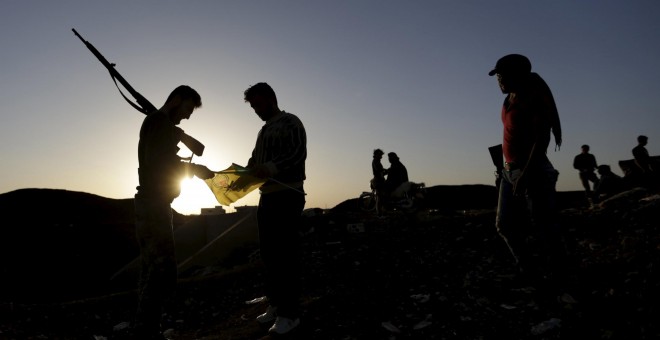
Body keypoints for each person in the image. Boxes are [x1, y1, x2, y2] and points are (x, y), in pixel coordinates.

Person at [132, 85, 214, 338]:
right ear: (177, 100)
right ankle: (147, 333)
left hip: (153, 205)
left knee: (153, 273)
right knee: (159, 273)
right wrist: (194, 170)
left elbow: (162, 160)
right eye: (188, 108)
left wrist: (178, 138)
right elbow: (156, 163)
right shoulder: (158, 122)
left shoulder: (164, 126)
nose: (188, 115)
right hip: (154, 205)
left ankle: (146, 331)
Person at [488, 54, 567, 291]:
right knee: (505, 225)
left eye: (502, 75)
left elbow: (541, 139)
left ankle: (559, 276)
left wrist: (525, 174)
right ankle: (529, 271)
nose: (498, 80)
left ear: (516, 76)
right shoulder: (508, 101)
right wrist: (506, 169)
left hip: (534, 171)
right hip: (510, 171)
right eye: (497, 76)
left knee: (544, 225)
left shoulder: (531, 98)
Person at [243, 82, 307, 336]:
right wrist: (242, 173)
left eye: (259, 104)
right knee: (270, 254)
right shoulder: (263, 131)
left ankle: (290, 314)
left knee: (285, 255)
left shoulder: (291, 122)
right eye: (253, 107)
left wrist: (270, 168)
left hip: (287, 195)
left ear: (271, 99)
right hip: (267, 197)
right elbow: (254, 161)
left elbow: (297, 154)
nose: (257, 110)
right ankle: (277, 303)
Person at [371, 148, 387, 213]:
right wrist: (386, 171)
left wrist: (386, 170)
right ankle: (379, 213)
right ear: (376, 154)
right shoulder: (375, 161)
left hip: (380, 180)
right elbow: (379, 170)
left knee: (381, 196)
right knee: (379, 197)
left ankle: (381, 211)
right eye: (380, 155)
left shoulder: (377, 161)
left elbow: (381, 169)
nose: (381, 156)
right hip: (378, 181)